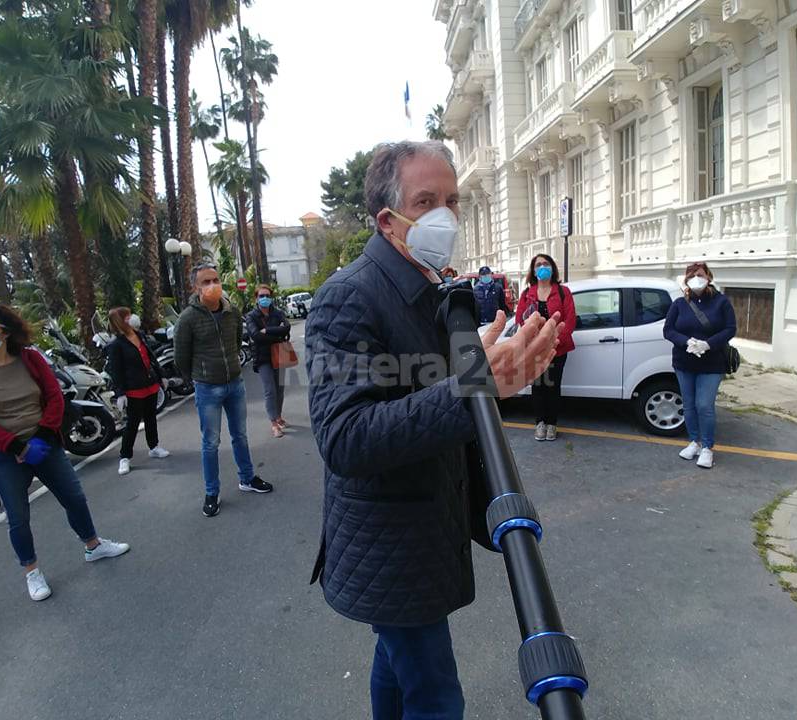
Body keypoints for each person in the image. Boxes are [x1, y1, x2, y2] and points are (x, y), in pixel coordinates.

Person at [306, 140, 562, 720]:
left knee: (398, 668)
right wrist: (476, 384)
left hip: (423, 531)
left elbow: (431, 393)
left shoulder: (433, 287)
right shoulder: (346, 298)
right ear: (388, 220)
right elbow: (345, 437)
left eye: (452, 200)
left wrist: (489, 370)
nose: (445, 215)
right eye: (427, 201)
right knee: (436, 696)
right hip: (388, 541)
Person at [0, 305, 129, 602]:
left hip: (43, 444)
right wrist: (18, 448)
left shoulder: (30, 359)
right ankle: (31, 571)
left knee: (74, 497)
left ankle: (93, 545)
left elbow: (54, 397)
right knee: (18, 516)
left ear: (4, 331)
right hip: (4, 454)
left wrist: (40, 437)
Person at [174, 263, 273, 518]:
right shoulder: (188, 318)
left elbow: (238, 338)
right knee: (210, 443)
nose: (213, 285)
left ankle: (247, 478)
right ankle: (212, 492)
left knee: (240, 435)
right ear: (196, 287)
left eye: (215, 280)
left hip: (235, 384)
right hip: (207, 389)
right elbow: (181, 356)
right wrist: (196, 378)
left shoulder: (231, 311)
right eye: (206, 282)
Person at [663, 262, 737, 469]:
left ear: (709, 278)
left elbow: (730, 328)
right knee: (688, 405)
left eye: (701, 274)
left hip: (712, 363)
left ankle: (707, 447)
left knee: (704, 405)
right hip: (684, 362)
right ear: (686, 280)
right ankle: (694, 441)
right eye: (692, 275)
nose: (697, 278)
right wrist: (686, 342)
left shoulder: (721, 302)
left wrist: (708, 344)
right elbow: (668, 330)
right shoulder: (679, 304)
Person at [515, 254, 577, 441]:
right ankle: (540, 423)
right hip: (535, 349)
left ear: (552, 268)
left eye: (546, 264)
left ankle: (552, 424)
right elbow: (519, 318)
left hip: (557, 349)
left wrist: (554, 341)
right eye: (538, 265)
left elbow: (570, 320)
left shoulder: (563, 292)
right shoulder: (527, 293)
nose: (542, 267)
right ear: (533, 270)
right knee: (539, 387)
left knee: (553, 387)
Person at [107, 308, 170, 476]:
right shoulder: (116, 345)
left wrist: (161, 375)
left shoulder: (139, 335)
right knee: (132, 423)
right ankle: (125, 457)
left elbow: (150, 357)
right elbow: (116, 370)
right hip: (133, 389)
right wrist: (120, 393)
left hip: (149, 383)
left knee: (151, 417)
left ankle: (154, 446)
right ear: (120, 321)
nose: (131, 317)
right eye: (126, 316)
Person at [244, 284, 291, 438]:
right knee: (270, 390)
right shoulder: (251, 316)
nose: (264, 299)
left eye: (267, 296)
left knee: (280, 389)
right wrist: (276, 334)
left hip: (280, 353)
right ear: (256, 298)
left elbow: (287, 327)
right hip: (263, 357)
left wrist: (268, 330)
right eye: (261, 296)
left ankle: (278, 416)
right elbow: (255, 335)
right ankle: (274, 424)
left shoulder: (277, 313)